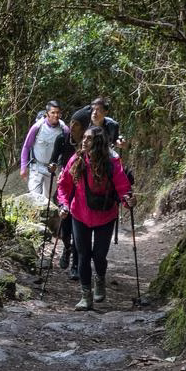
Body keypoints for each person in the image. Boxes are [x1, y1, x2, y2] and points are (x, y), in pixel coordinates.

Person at [57, 125, 132, 311]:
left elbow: (122, 186)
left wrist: (128, 200)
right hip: (79, 213)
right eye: (84, 138)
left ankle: (99, 279)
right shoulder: (77, 159)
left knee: (99, 255)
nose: (84, 141)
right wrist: (63, 204)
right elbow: (64, 185)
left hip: (105, 215)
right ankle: (86, 296)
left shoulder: (112, 162)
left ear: (98, 142)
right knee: (82, 255)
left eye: (89, 139)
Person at [51, 109, 89, 278]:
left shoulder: (88, 143)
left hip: (81, 191)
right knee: (66, 228)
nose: (72, 126)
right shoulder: (62, 139)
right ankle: (67, 249)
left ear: (84, 128)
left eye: (77, 124)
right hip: (65, 188)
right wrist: (53, 167)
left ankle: (76, 264)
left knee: (78, 229)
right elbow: (54, 159)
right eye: (72, 122)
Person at [19, 100, 67, 199]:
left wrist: (64, 169)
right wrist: (23, 167)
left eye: (58, 112)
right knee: (34, 196)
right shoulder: (37, 127)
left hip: (53, 169)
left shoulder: (64, 130)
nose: (56, 115)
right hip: (37, 166)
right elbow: (26, 146)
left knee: (47, 199)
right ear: (47, 114)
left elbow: (67, 150)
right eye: (53, 112)